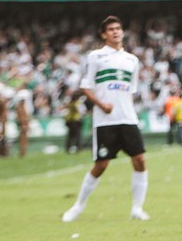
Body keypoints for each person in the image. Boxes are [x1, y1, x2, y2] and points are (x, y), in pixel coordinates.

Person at [62, 15, 149, 222]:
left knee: (139, 160)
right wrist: (101, 105)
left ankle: (137, 208)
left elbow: (131, 90)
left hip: (128, 118)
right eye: (111, 29)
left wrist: (124, 107)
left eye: (118, 28)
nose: (116, 32)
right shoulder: (96, 57)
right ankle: (78, 207)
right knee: (101, 164)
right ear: (104, 34)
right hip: (105, 120)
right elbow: (85, 86)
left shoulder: (132, 60)